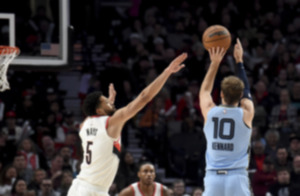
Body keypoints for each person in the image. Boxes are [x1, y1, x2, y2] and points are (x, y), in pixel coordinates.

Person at [67, 53, 187, 196]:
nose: (111, 102)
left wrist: (108, 105)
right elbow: (144, 98)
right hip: (93, 190)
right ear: (99, 110)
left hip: (78, 186)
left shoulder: (85, 124)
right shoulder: (109, 122)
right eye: (106, 101)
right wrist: (167, 72)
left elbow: (96, 118)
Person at [199, 39, 254, 196]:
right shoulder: (246, 112)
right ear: (241, 96)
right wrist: (239, 61)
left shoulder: (210, 111)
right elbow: (247, 89)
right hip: (237, 177)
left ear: (221, 94)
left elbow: (204, 91)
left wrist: (215, 63)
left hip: (213, 178)